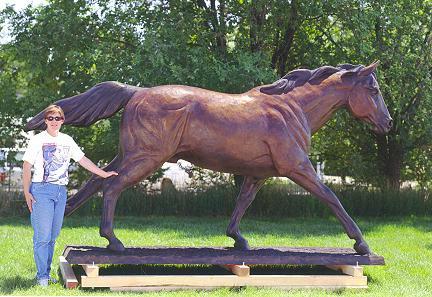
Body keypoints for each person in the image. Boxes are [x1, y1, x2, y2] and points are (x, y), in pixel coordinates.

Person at [22, 105, 118, 287]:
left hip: (60, 191)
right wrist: (27, 192)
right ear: (45, 120)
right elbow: (27, 165)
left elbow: (83, 160)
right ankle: (42, 276)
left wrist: (103, 173)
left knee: (52, 236)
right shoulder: (37, 140)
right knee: (42, 236)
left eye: (57, 118)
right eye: (50, 118)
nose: (54, 121)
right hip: (41, 190)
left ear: (62, 121)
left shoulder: (67, 140)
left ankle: (46, 273)